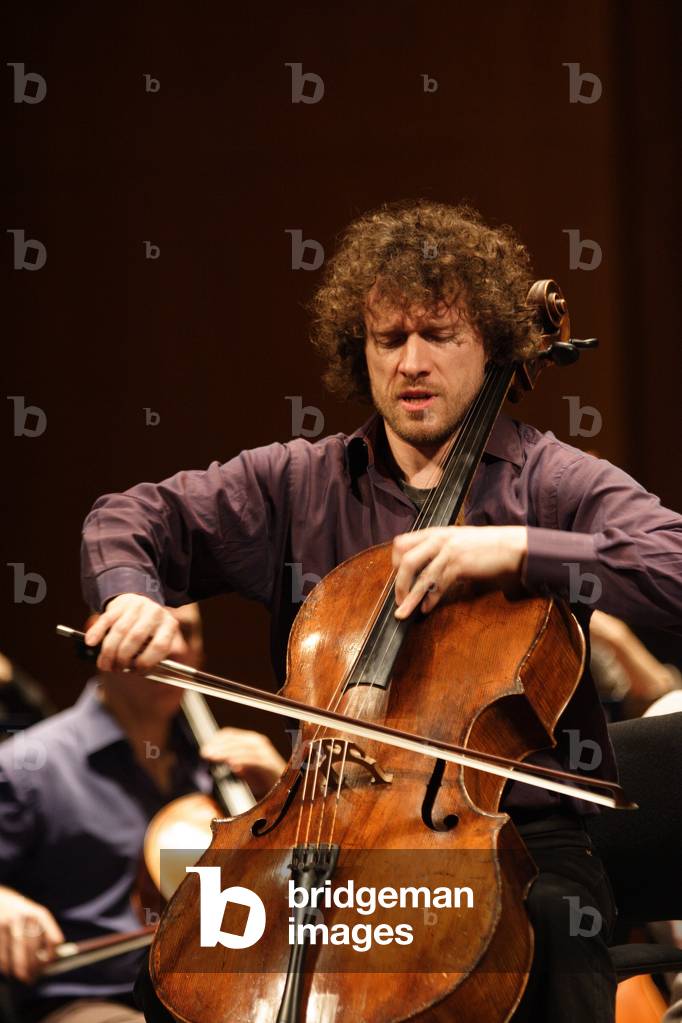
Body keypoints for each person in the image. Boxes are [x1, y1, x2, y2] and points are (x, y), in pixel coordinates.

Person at [79, 201, 682, 1022]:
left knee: (548, 945)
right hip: (313, 831)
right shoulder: (299, 482)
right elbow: (132, 516)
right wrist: (129, 593)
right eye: (389, 340)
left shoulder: (554, 483)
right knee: (173, 975)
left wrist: (518, 550)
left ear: (496, 345)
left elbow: (673, 567)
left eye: (440, 334)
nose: (412, 362)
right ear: (358, 352)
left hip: (512, 845)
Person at [0, 603, 285, 1022]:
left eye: (187, 633)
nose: (172, 646)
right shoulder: (29, 765)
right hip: (94, 1002)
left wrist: (285, 795)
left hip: (217, 994)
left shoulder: (225, 770)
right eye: (152, 632)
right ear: (100, 638)